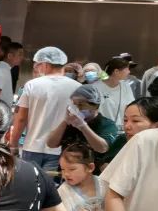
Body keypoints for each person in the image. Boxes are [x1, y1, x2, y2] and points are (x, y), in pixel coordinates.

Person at [9, 45, 80, 175]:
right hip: (60, 150)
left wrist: (13, 144)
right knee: (51, 185)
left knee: (30, 182)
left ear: (46, 65)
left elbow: (21, 118)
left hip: (32, 147)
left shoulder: (32, 85)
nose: (36, 68)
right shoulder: (77, 88)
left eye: (38, 65)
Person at [45, 83, 119, 172]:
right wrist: (65, 121)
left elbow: (102, 148)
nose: (77, 109)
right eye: (74, 105)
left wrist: (83, 126)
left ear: (95, 105)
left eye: (81, 105)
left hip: (92, 174)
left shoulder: (107, 125)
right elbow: (51, 143)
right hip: (66, 173)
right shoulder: (71, 124)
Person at [58, 143, 109, 211]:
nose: (65, 174)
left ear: (90, 167)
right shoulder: (63, 191)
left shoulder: (105, 185)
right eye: (63, 169)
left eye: (72, 169)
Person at [104, 96, 158, 165]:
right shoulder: (122, 140)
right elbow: (105, 164)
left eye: (135, 121)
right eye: (125, 120)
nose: (126, 126)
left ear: (157, 126)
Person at [95, 56, 136, 129]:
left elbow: (130, 106)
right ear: (116, 71)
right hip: (101, 129)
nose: (129, 72)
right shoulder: (95, 88)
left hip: (121, 129)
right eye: (127, 69)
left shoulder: (125, 86)